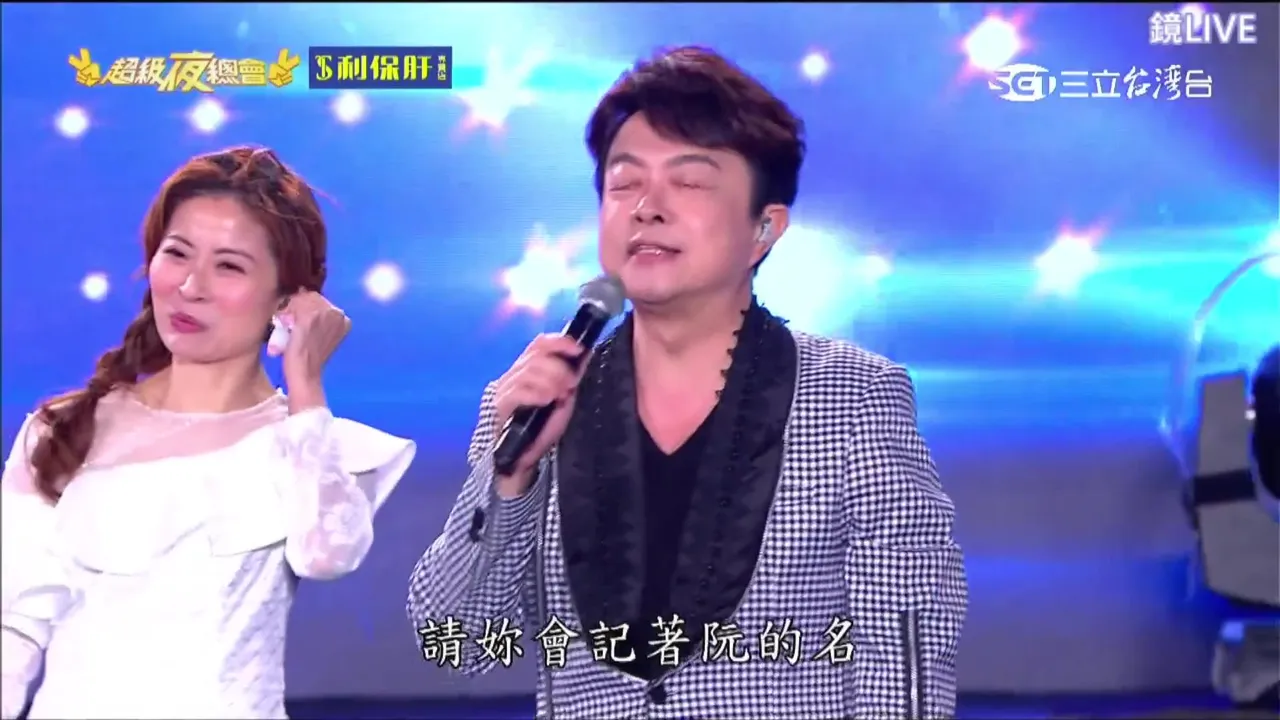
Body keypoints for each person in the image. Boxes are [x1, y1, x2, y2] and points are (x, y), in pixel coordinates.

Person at [407, 46, 967, 718]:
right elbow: (458, 642)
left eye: (690, 182)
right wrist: (510, 478)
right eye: (624, 184)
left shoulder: (853, 399)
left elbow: (904, 667)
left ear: (764, 228)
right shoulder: (535, 402)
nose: (647, 207)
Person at [0, 146, 416, 720]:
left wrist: (305, 384)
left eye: (229, 266)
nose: (191, 286)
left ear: (288, 297)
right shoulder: (64, 430)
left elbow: (327, 555)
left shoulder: (313, 446)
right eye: (177, 253)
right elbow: (14, 627)